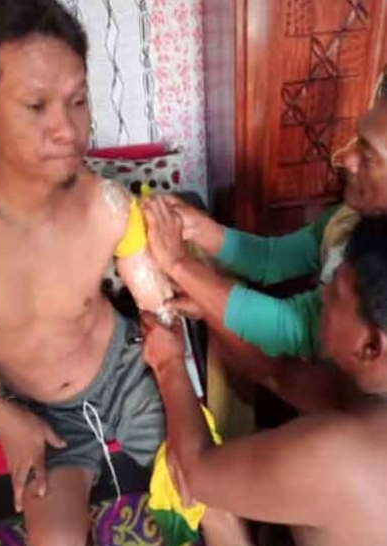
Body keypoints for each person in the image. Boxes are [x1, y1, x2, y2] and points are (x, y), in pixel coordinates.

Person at [0, 2, 255, 546]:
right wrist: (4, 416)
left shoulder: (108, 206)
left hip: (128, 376)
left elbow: (158, 310)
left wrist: (173, 329)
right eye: (35, 105)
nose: (66, 130)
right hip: (41, 413)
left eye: (78, 101)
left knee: (217, 498)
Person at [140, 215, 387, 546]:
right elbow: (279, 374)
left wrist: (169, 365)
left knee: (205, 497)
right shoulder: (370, 393)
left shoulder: (339, 457)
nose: (323, 292)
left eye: (335, 292)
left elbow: (192, 473)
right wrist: (209, 309)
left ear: (371, 346)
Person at [149, 95, 387, 359]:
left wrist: (178, 264)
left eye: (367, 156)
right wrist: (199, 228)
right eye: (357, 140)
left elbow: (294, 327)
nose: (345, 158)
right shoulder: (345, 219)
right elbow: (273, 258)